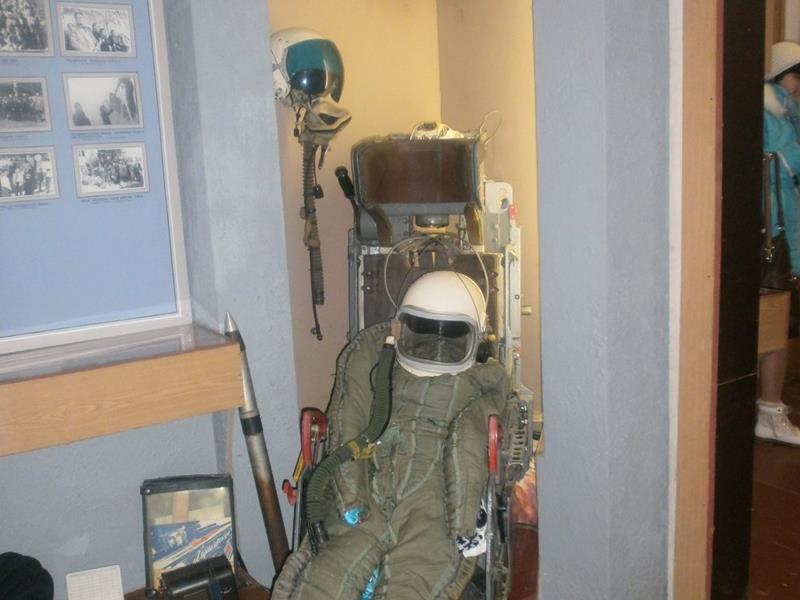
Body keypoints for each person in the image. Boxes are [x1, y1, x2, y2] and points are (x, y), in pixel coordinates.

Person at [273, 271, 506, 599]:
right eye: (421, 330)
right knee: (326, 576)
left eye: (454, 337)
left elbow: (471, 442)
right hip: (368, 486)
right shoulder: (377, 367)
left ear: (478, 340)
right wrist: (351, 494)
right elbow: (350, 418)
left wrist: (464, 519)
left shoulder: (483, 383)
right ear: (400, 329)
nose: (435, 348)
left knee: (414, 579)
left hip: (434, 498)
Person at [760, 40, 800, 446]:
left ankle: (770, 407)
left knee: (778, 318)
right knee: (776, 318)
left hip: (782, 224)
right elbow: (775, 161)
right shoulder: (769, 111)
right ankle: (769, 409)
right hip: (774, 227)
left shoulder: (784, 110)